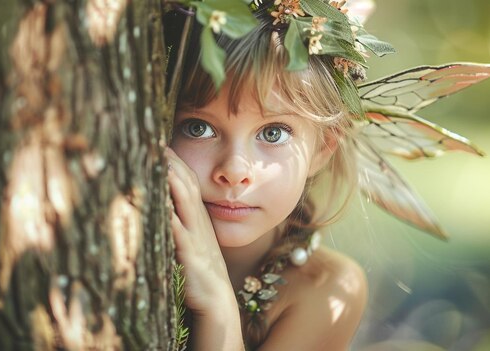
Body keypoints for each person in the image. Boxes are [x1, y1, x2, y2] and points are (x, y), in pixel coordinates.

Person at [163, 0, 488, 350]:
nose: (234, 170)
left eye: (273, 133)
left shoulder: (327, 290)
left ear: (322, 149)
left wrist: (216, 301)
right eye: (198, 127)